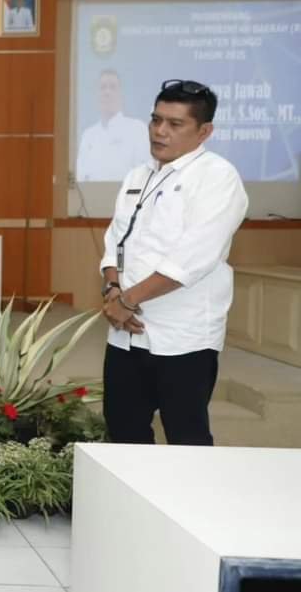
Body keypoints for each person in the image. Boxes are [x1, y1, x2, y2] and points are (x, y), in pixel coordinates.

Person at [99, 79, 248, 446]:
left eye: (174, 123)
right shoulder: (138, 175)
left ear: (204, 131)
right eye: (156, 120)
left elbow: (192, 259)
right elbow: (115, 241)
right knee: (123, 431)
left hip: (184, 337)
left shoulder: (218, 177)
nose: (159, 131)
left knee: (186, 437)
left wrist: (127, 300)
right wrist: (113, 289)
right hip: (126, 333)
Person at [76, 70, 148, 181]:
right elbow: (80, 177)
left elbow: (143, 174)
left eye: (113, 87)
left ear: (121, 94)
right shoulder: (88, 135)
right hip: (91, 192)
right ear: (96, 95)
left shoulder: (137, 129)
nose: (107, 92)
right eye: (102, 87)